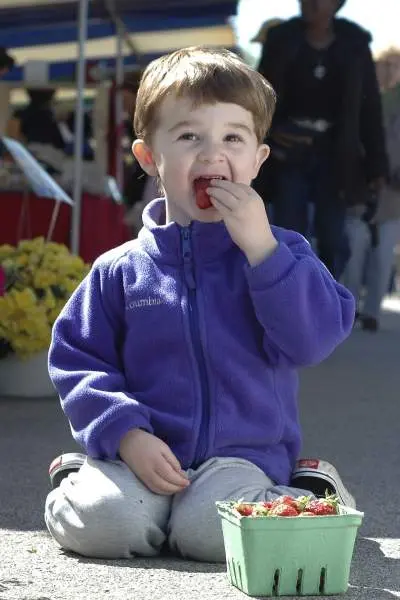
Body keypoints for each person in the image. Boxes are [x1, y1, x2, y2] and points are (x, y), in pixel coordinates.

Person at [44, 46, 356, 563]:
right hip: (140, 455)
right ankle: (83, 477)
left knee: (212, 536)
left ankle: (310, 489)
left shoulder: (283, 253)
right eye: (189, 136)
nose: (213, 154)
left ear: (257, 160)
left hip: (240, 461)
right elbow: (77, 360)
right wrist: (124, 435)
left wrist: (263, 252)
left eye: (233, 137)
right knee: (105, 524)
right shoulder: (119, 268)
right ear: (150, 158)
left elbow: (314, 339)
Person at [255, 0, 388, 279]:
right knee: (288, 232)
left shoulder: (354, 44)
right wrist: (272, 130)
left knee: (333, 238)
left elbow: (369, 109)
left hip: (335, 155)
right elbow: (258, 98)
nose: (310, 3)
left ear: (336, 4)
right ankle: (289, 298)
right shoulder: (281, 39)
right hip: (287, 153)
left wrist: (377, 168)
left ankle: (326, 302)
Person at [343, 48, 400, 331]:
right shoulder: (361, 100)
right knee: (354, 248)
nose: (389, 70)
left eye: (396, 65)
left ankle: (373, 311)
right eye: (384, 64)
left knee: (383, 253)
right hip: (359, 190)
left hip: (394, 194)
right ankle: (351, 306)